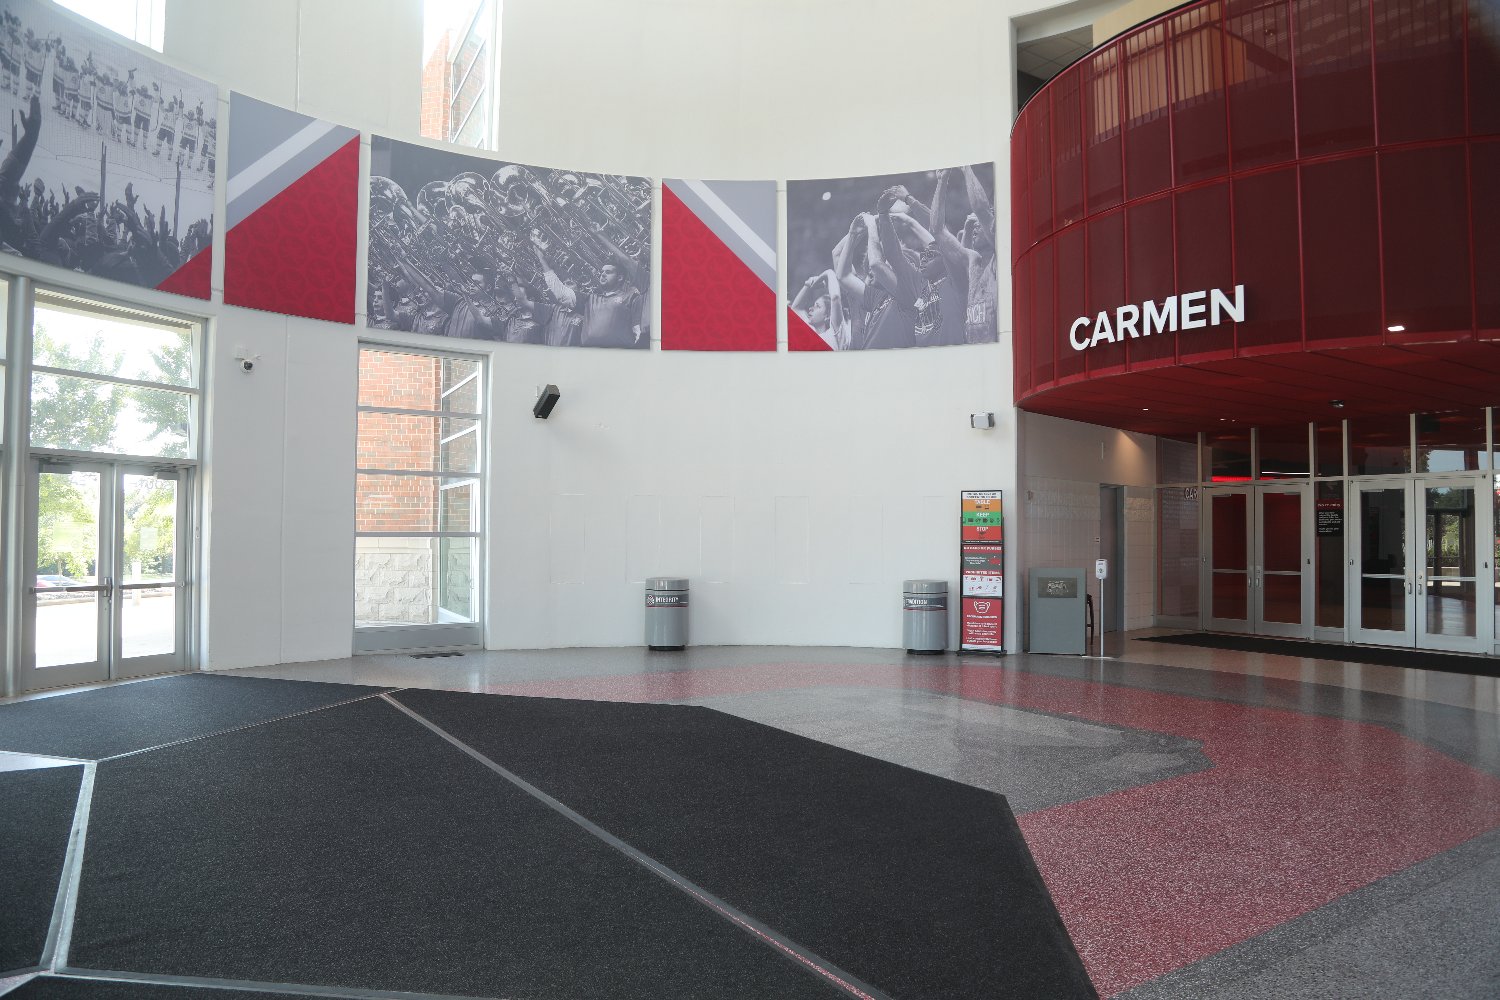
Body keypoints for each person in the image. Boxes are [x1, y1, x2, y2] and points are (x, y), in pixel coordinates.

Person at [532, 238, 643, 349]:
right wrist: (542, 260)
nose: (603, 274)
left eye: (608, 272)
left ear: (620, 278)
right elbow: (561, 294)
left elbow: (639, 328)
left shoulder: (631, 296)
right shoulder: (590, 299)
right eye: (602, 272)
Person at [931, 166, 997, 344]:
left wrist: (966, 167)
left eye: (980, 224)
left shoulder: (1001, 258)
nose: (975, 226)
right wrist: (942, 181)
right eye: (973, 224)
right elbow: (937, 231)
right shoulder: (972, 261)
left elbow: (981, 209)